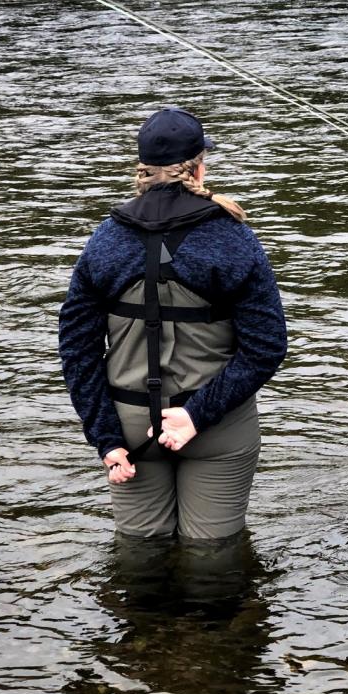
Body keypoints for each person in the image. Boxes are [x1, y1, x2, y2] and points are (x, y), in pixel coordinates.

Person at [59, 106, 287, 539]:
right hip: (217, 424)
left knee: (140, 558)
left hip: (129, 426)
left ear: (141, 169)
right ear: (198, 168)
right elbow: (267, 346)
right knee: (213, 559)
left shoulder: (105, 239)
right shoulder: (233, 236)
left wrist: (105, 437)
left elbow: (77, 350)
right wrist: (197, 415)